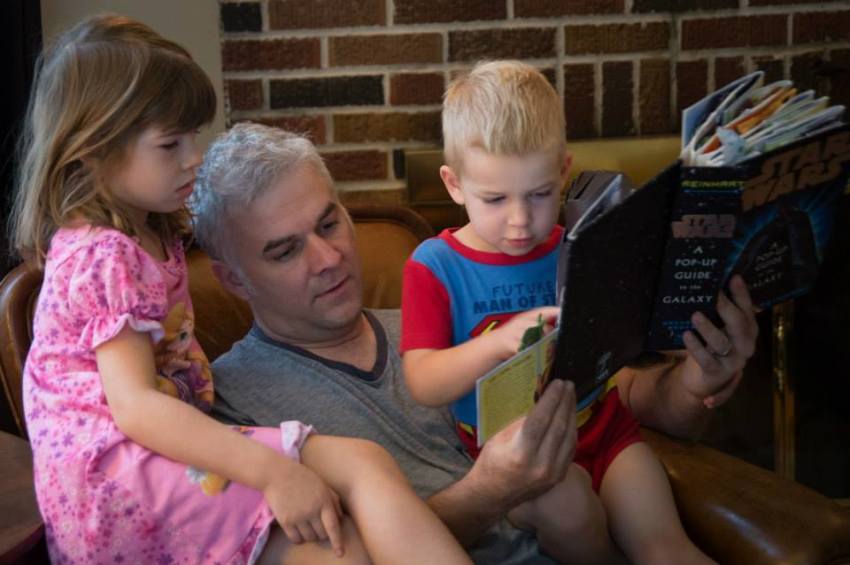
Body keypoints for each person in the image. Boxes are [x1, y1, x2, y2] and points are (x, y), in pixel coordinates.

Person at [10, 15, 472, 565]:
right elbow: (135, 409)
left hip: (150, 460)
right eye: (170, 144)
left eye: (193, 135)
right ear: (95, 151)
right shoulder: (102, 253)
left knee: (358, 474)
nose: (193, 156)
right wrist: (275, 472)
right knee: (338, 531)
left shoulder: (143, 232)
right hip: (122, 482)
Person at [193, 122, 758, 564]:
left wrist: (692, 385)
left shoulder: (435, 323)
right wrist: (491, 491)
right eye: (285, 251)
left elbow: (612, 394)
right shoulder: (229, 410)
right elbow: (351, 555)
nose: (328, 258)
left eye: (328, 224)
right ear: (233, 280)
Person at [399, 59, 731, 563]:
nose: (519, 220)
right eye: (494, 198)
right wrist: (496, 343)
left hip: (605, 430)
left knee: (665, 546)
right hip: (522, 460)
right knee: (571, 510)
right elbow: (423, 381)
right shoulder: (435, 265)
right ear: (453, 184)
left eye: (539, 195)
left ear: (563, 172)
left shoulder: (579, 247)